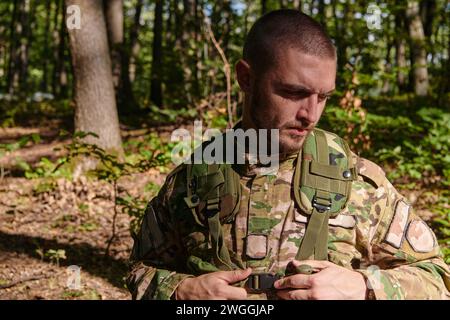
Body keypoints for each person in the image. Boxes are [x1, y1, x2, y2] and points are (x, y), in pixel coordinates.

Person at [126, 9, 450, 300]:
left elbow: (435, 277)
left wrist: (363, 286)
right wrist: (180, 291)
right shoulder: (194, 177)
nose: (311, 115)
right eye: (294, 93)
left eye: (323, 97)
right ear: (246, 78)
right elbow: (142, 269)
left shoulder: (358, 181)